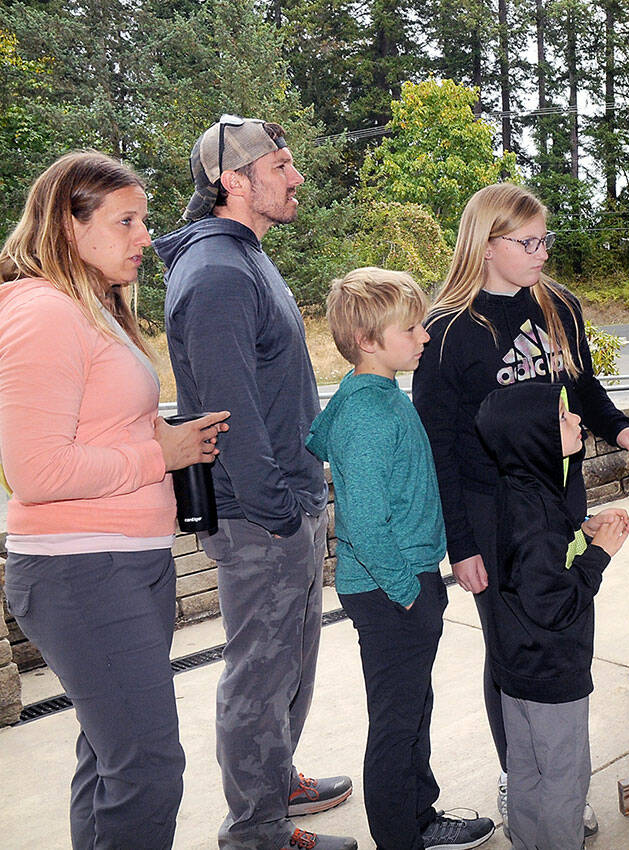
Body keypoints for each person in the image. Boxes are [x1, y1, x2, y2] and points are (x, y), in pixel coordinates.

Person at [0, 150, 229, 848]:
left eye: (145, 219)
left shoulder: (87, 309)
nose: (144, 237)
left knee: (108, 760)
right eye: (126, 220)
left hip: (118, 565)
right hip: (84, 571)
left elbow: (99, 424)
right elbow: (35, 470)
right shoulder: (41, 311)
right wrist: (156, 454)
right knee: (147, 769)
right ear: (71, 228)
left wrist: (161, 437)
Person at [412, 183, 629, 836]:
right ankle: (525, 775)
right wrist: (459, 545)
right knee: (512, 651)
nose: (543, 251)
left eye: (546, 239)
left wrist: (619, 427)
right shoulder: (447, 333)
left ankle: (555, 773)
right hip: (491, 524)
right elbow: (437, 448)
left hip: (557, 506)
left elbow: (584, 387)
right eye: (529, 242)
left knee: (559, 637)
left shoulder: (558, 306)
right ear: (487, 246)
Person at [154, 115, 354, 850]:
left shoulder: (241, 257)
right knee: (260, 676)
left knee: (289, 663)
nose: (296, 176)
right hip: (260, 518)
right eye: (280, 165)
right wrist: (277, 514)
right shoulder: (215, 275)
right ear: (231, 182)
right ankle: (257, 829)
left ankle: (277, 781)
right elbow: (224, 413)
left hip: (286, 505)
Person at [306, 268, 495, 850]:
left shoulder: (381, 395)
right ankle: (400, 837)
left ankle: (421, 816)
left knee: (413, 710)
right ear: (368, 341)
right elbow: (362, 523)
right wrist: (406, 589)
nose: (424, 337)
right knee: (395, 723)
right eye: (411, 329)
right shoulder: (368, 414)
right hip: (392, 590)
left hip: (405, 581)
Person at [475, 383, 629, 850]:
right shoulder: (539, 517)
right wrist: (598, 554)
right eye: (563, 418)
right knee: (565, 778)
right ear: (533, 438)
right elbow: (554, 602)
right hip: (552, 671)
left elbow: (531, 563)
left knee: (524, 770)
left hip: (516, 669)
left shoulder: (518, 491)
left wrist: (581, 531)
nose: (578, 420)